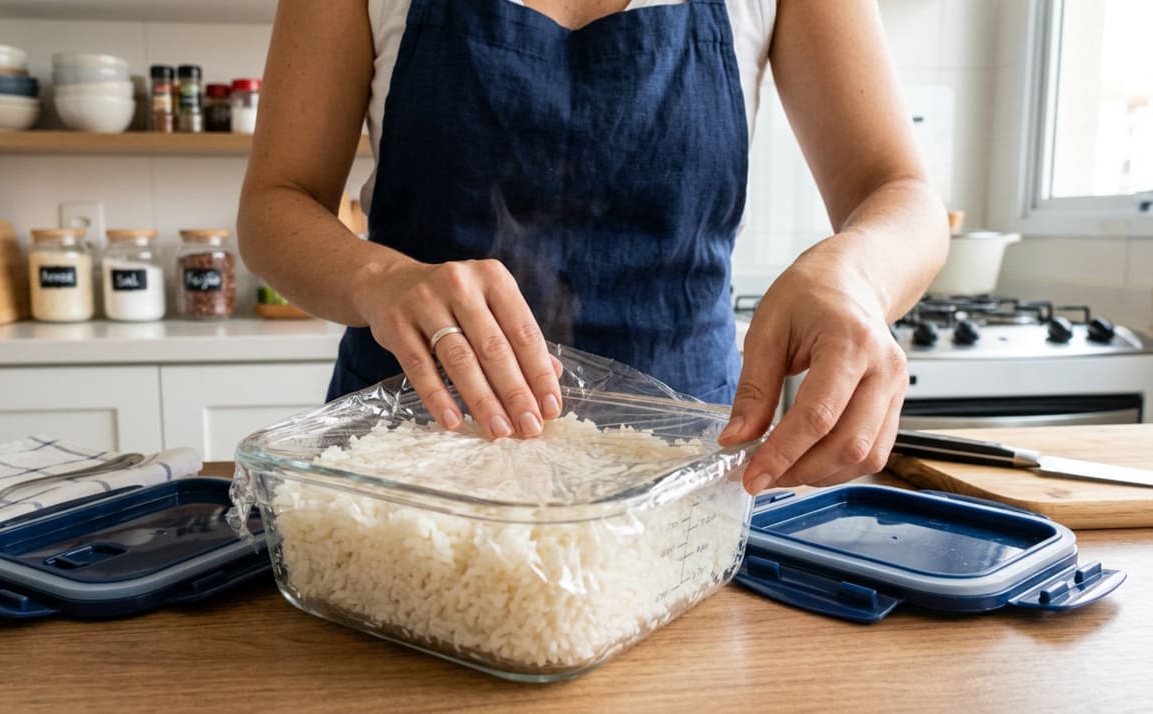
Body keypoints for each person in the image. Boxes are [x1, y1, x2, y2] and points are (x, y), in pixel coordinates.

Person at [237, 0, 948, 494]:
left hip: (681, 459)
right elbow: (276, 202)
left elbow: (903, 193)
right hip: (409, 455)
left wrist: (855, 275)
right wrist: (378, 276)